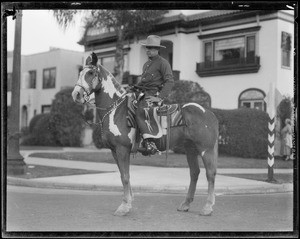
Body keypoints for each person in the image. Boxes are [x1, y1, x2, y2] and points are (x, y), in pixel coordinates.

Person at [132, 35, 174, 155]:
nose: (148, 50)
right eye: (147, 48)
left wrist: (159, 97)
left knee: (142, 110)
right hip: (143, 93)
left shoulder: (163, 63)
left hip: (154, 95)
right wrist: (134, 87)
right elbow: (143, 83)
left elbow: (170, 81)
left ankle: (151, 144)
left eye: (151, 48)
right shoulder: (146, 64)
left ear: (157, 49)